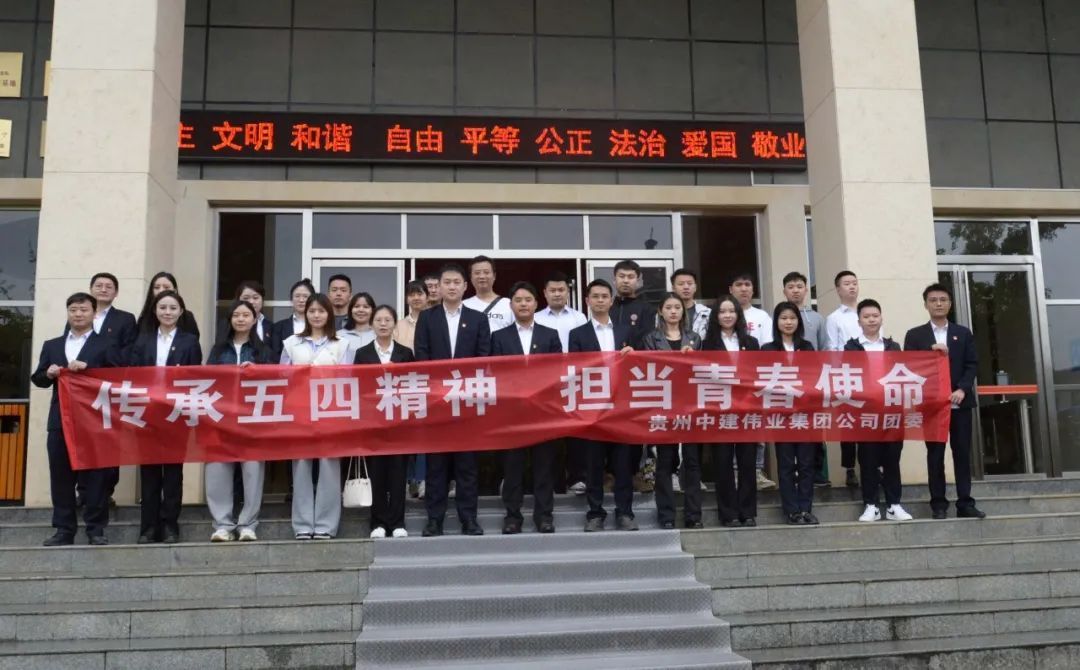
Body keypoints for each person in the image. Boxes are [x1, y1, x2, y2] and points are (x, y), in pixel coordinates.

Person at [32, 292, 118, 546]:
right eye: (73, 310)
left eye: (83, 310)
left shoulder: (106, 344)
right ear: (68, 313)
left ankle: (95, 529)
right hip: (60, 420)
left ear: (94, 313)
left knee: (96, 477)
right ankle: (64, 529)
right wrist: (48, 373)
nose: (78, 314)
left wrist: (89, 370)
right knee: (61, 476)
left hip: (94, 420)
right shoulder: (52, 345)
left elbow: (118, 377)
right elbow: (38, 378)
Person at [414, 263, 491, 537]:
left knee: (466, 464)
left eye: (456, 282)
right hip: (437, 401)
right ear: (439, 286)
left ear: (465, 286)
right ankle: (434, 520)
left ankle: (468, 518)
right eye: (446, 282)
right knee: (436, 464)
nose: (451, 286)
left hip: (467, 400)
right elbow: (422, 354)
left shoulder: (478, 318)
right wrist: (436, 387)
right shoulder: (427, 318)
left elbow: (484, 356)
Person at [904, 283, 985, 520]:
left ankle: (965, 503)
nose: (938, 304)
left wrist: (962, 389)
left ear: (950, 303)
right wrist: (929, 353)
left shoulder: (963, 332)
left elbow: (972, 364)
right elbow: (910, 366)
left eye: (942, 299)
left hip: (959, 403)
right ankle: (938, 504)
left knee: (962, 454)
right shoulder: (915, 335)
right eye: (933, 300)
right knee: (935, 455)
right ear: (926, 304)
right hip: (932, 406)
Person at [129, 290, 202, 543]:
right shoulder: (143, 340)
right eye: (162, 308)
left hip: (176, 414)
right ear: (155, 311)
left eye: (172, 308)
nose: (167, 312)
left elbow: (195, 378)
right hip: (147, 413)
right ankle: (148, 527)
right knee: (149, 472)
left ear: (181, 311)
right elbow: (133, 376)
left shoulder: (190, 342)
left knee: (172, 472)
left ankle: (170, 525)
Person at [490, 281, 563, 534]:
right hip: (512, 413)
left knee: (544, 466)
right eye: (518, 300)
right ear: (511, 305)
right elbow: (496, 373)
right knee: (513, 467)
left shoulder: (549, 335)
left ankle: (544, 516)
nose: (523, 304)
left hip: (543, 412)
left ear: (536, 304)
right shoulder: (499, 337)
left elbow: (556, 371)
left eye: (528, 300)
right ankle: (513, 516)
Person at [281, 293, 350, 539]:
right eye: (312, 311)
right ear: (305, 313)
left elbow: (348, 379)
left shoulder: (342, 344)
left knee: (329, 466)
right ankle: (302, 525)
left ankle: (325, 525)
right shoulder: (291, 343)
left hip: (331, 411)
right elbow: (282, 377)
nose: (316, 315)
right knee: (301, 465)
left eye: (321, 311)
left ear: (329, 314)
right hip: (299, 411)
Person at [569, 279, 636, 532]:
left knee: (623, 465)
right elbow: (574, 370)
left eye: (604, 296)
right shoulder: (578, 334)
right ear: (587, 301)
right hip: (593, 408)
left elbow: (639, 367)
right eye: (595, 296)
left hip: (621, 407)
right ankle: (595, 513)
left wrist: (633, 356)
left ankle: (625, 512)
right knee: (594, 465)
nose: (599, 300)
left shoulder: (626, 332)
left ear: (611, 300)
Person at [205, 300, 271, 541]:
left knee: (252, 472)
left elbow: (275, 380)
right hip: (221, 419)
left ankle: (248, 524)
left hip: (252, 419)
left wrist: (257, 370)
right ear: (230, 319)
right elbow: (206, 379)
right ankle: (222, 524)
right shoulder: (218, 350)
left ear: (254, 320)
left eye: (246, 315)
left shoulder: (262, 350)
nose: (241, 319)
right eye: (236, 315)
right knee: (218, 470)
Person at [844, 299, 912, 522]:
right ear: (859, 321)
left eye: (875, 316)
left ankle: (894, 505)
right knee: (868, 459)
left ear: (881, 318)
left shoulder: (893, 347)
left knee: (892, 458)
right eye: (866, 317)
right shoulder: (851, 347)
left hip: (891, 411)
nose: (871, 320)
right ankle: (871, 505)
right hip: (865, 412)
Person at [641, 293, 703, 530]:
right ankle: (666, 515)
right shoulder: (651, 338)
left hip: (690, 405)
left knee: (692, 462)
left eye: (677, 307)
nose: (674, 311)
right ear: (661, 311)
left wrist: (693, 358)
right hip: (663, 405)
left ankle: (693, 515)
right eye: (668, 307)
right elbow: (649, 368)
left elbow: (703, 371)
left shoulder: (694, 338)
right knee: (665, 462)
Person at [702, 294, 760, 527]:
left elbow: (757, 375)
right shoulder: (707, 344)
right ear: (716, 316)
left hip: (746, 409)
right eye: (722, 312)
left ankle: (747, 511)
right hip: (720, 409)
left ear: (738, 314)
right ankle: (728, 513)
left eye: (731, 311)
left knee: (747, 462)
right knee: (723, 462)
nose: (727, 316)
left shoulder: (751, 343)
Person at [355, 305, 413, 539]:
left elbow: (412, 384)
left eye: (388, 319)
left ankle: (397, 522)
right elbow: (358, 386)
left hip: (399, 422)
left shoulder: (405, 353)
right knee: (377, 473)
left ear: (394, 324)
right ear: (372, 324)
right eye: (378, 320)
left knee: (398, 474)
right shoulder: (362, 353)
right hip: (373, 421)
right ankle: (378, 522)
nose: (383, 324)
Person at [761, 302, 819, 526]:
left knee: (806, 464)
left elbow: (813, 377)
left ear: (799, 321)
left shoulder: (807, 347)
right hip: (780, 414)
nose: (788, 322)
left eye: (792, 318)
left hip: (804, 414)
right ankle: (791, 510)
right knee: (785, 465)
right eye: (784, 318)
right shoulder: (767, 349)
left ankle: (806, 508)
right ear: (776, 322)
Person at [534, 271, 588, 495]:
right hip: (545, 384)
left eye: (561, 290)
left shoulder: (579, 318)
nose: (557, 294)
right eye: (552, 290)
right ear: (544, 293)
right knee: (550, 434)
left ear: (568, 292)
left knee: (575, 432)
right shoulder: (536, 318)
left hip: (574, 381)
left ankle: (577, 477)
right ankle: (554, 481)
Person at [782, 271, 830, 488]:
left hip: (811, 381)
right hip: (784, 381)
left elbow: (824, 349)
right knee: (787, 427)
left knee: (813, 426)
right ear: (784, 291)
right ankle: (791, 472)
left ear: (806, 290)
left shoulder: (817, 318)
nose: (795, 291)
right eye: (791, 287)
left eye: (799, 286)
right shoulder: (779, 316)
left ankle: (817, 472)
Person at [729, 272, 776, 492]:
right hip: (727, 382)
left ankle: (756, 471)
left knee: (756, 426)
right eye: (739, 284)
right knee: (730, 427)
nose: (743, 288)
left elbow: (767, 349)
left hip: (754, 380)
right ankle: (734, 472)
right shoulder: (724, 314)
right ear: (731, 289)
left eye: (747, 284)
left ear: (753, 289)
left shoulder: (762, 316)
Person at [611, 260, 655, 492]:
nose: (626, 281)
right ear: (614, 279)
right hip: (608, 377)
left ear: (638, 280)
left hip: (635, 376)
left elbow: (648, 340)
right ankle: (609, 474)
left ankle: (635, 473)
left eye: (630, 276)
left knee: (634, 425)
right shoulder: (608, 305)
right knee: (608, 424)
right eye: (621, 276)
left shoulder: (646, 309)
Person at [826, 270, 862, 489]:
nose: (852, 287)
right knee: (848, 423)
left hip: (870, 376)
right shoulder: (834, 318)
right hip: (846, 376)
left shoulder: (868, 312)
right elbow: (832, 349)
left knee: (870, 421)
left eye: (854, 283)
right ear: (838, 289)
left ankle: (875, 466)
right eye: (847, 283)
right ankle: (849, 468)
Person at [136, 271, 200, 339]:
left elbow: (193, 341)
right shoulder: (144, 318)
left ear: (175, 290)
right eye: (157, 287)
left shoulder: (186, 317)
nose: (161, 290)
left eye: (166, 287)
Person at [463, 255, 514, 333]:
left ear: (494, 276)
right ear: (471, 277)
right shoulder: (464, 305)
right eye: (477, 273)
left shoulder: (509, 304)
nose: (482, 276)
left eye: (486, 272)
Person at [270, 279, 315, 359]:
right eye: (297, 296)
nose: (301, 300)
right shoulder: (279, 327)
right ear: (291, 300)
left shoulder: (320, 324)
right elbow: (275, 355)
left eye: (305, 296)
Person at [337, 292, 376, 363]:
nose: (361, 310)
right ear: (350, 310)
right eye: (357, 306)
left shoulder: (379, 335)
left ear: (373, 311)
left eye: (366, 307)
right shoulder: (338, 335)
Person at [672, 268, 711, 339]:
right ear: (673, 288)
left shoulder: (707, 313)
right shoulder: (665, 313)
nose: (686, 287)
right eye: (681, 284)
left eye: (690, 283)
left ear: (695, 287)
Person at [232, 280, 273, 347]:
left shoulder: (271, 327)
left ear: (262, 300)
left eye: (255, 298)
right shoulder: (228, 324)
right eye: (246, 298)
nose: (251, 302)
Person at [394, 280, 427, 350]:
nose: (416, 298)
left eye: (419, 294)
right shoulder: (398, 326)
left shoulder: (436, 322)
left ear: (427, 297)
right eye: (412, 295)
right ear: (406, 299)